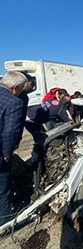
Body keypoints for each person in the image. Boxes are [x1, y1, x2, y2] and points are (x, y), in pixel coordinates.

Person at [0, 71, 27, 225]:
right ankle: (5, 223)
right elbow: (10, 131)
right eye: (22, 88)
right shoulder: (13, 102)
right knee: (3, 190)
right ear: (15, 87)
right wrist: (7, 153)